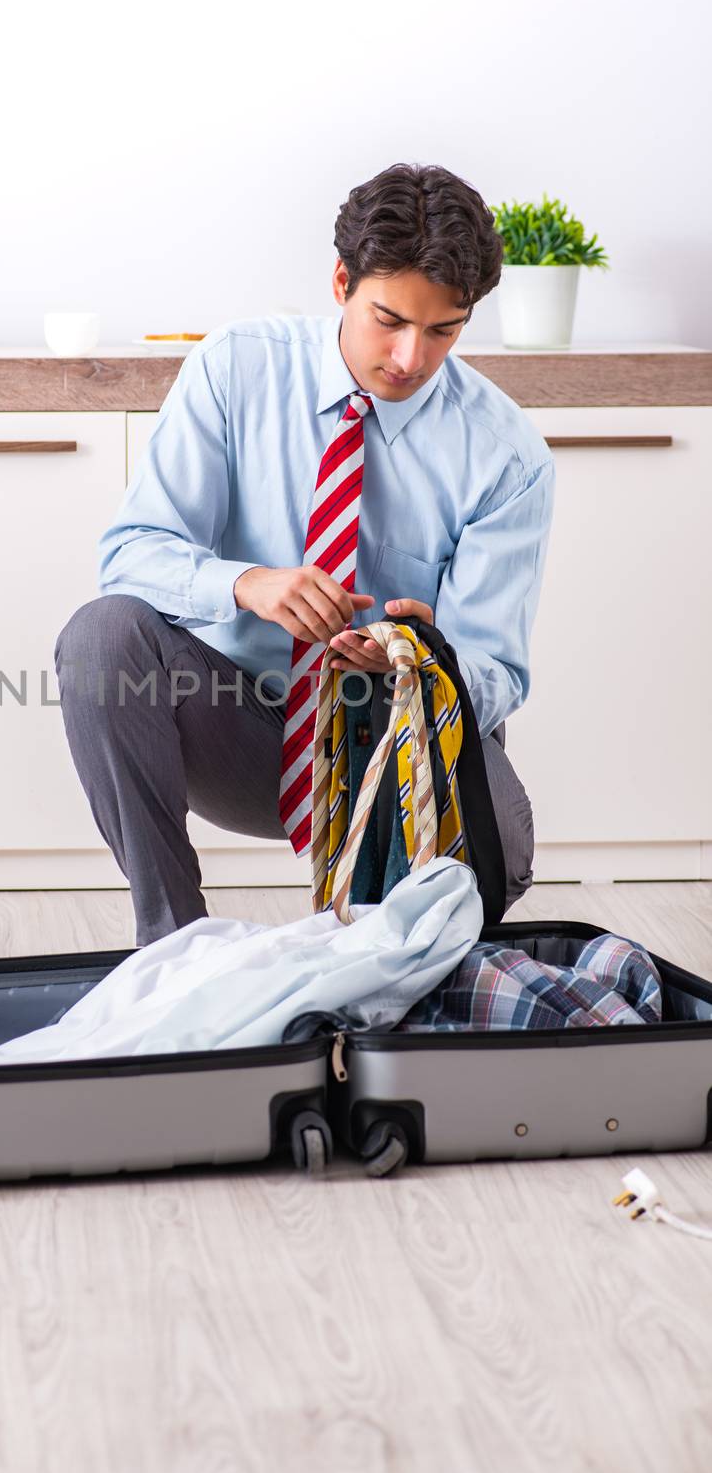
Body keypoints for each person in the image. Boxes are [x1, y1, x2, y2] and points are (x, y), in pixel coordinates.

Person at [55, 162, 555, 947]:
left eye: (442, 331)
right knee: (101, 639)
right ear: (341, 281)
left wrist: (425, 662)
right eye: (388, 318)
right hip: (237, 725)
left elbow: (496, 674)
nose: (410, 357)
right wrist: (246, 584)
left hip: (394, 745)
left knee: (510, 849)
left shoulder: (507, 456)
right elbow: (131, 554)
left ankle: (385, 960)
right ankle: (173, 947)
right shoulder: (236, 367)